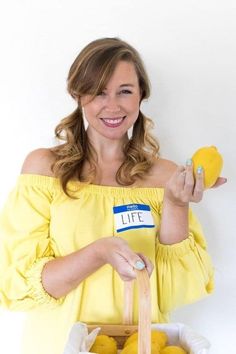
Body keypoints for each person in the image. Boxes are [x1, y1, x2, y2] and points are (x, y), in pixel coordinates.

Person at [0, 37, 226, 354]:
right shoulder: (44, 169)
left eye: (125, 91)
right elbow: (21, 285)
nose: (112, 105)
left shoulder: (164, 176)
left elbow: (174, 289)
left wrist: (176, 203)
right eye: (99, 92)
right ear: (78, 95)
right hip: (55, 345)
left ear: (141, 96)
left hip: (141, 345)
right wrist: (98, 252)